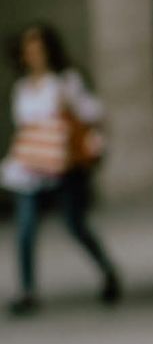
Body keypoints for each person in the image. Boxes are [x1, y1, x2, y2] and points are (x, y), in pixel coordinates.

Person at [3, 22, 121, 317]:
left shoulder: (66, 81)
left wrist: (69, 106)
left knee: (74, 224)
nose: (33, 55)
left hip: (64, 166)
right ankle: (28, 290)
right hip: (32, 168)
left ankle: (108, 271)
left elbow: (94, 113)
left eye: (38, 49)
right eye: (28, 50)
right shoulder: (21, 89)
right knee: (26, 227)